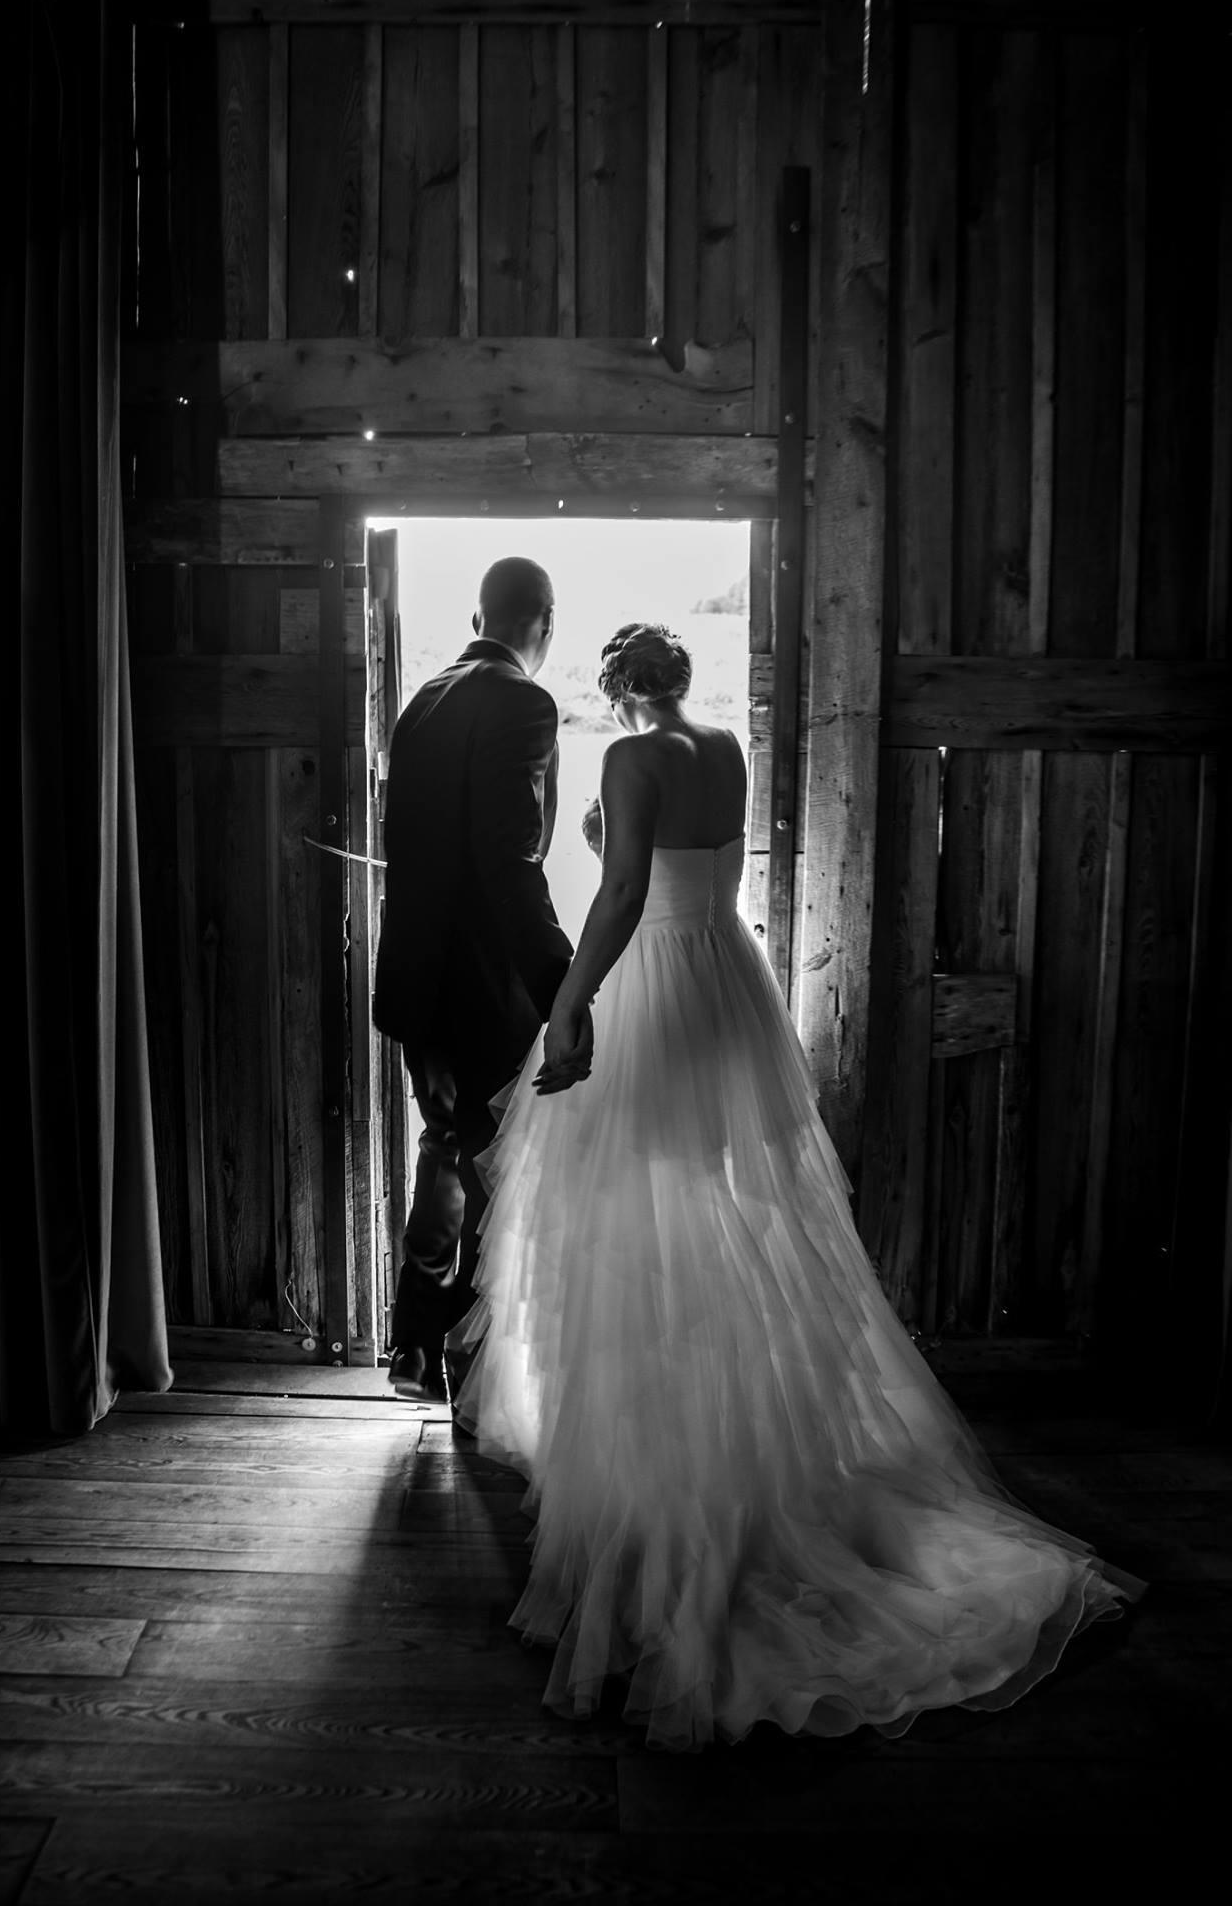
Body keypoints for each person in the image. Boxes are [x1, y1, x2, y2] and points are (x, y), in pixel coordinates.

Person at [448, 621, 1147, 1751]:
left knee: (632, 1209)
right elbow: (693, 868)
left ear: (620, 687)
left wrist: (571, 1002)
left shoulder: (631, 755)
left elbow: (622, 890)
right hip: (727, 977)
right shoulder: (722, 743)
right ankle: (725, 1426)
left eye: (607, 686)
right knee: (723, 1211)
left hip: (657, 986)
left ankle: (661, 1453)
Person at [373, 557, 590, 1405]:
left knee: (445, 1150)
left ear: (477, 615)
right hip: (480, 984)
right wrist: (561, 986)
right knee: (493, 1163)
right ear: (543, 620)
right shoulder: (523, 702)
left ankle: (417, 1348)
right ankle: (469, 1367)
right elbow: (509, 861)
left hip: (417, 981)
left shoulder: (422, 699)